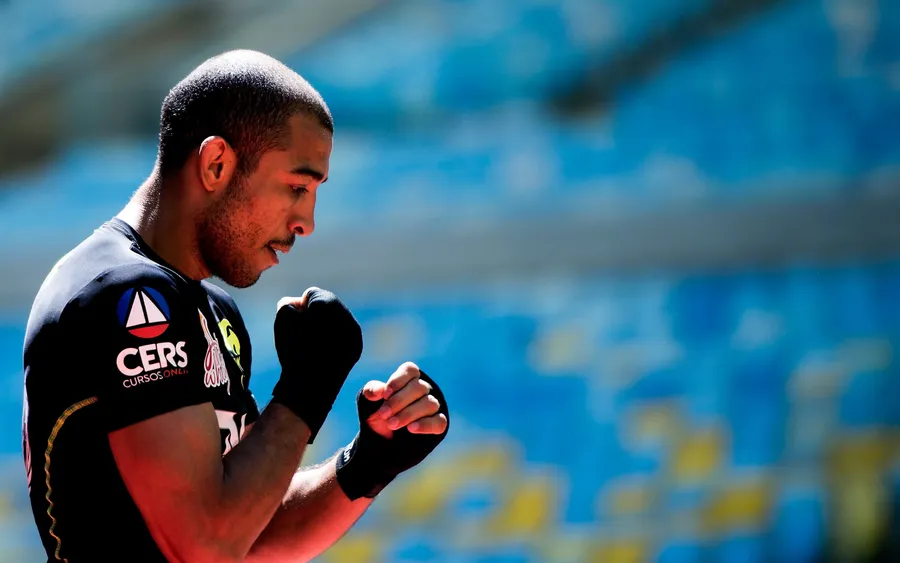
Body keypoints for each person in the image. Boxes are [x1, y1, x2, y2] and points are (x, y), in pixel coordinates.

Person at [21, 49, 450, 563]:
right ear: (216, 164)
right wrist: (306, 390)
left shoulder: (210, 309)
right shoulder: (125, 294)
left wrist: (369, 460)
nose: (307, 222)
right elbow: (206, 546)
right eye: (297, 187)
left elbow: (251, 534)